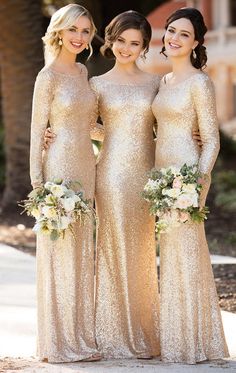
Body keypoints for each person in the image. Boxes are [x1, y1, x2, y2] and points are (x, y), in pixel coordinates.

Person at [152, 7, 229, 364]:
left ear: (196, 42)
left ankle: (194, 343)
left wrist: (196, 185)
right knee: (169, 256)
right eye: (171, 31)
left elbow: (211, 140)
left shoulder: (200, 82)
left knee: (187, 254)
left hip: (185, 176)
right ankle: (174, 338)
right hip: (160, 176)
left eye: (184, 34)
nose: (174, 38)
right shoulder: (163, 82)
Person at [30, 4, 101, 363]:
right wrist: (38, 184)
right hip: (58, 167)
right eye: (73, 29)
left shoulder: (83, 71)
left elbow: (91, 127)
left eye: (86, 31)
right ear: (59, 31)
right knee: (58, 250)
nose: (79, 37)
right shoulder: (48, 77)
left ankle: (79, 337)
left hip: (85, 167)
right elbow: (35, 131)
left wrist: (130, 130)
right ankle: (57, 342)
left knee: (80, 253)